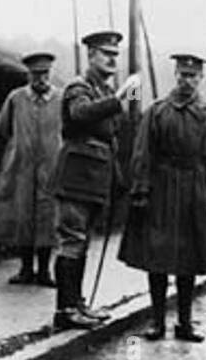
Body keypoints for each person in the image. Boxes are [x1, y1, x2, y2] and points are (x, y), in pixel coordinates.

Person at [118, 53, 206, 342]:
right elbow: (142, 153)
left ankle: (185, 323)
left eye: (192, 76)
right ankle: (157, 322)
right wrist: (140, 190)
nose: (186, 81)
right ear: (175, 76)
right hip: (162, 188)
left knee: (189, 258)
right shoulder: (157, 112)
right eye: (182, 75)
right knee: (158, 256)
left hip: (194, 190)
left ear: (200, 78)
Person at [49, 30, 142, 330]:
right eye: (106, 54)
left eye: (116, 55)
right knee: (72, 242)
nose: (113, 60)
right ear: (91, 55)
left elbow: (110, 139)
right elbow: (79, 115)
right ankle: (64, 311)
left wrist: (118, 180)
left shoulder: (101, 90)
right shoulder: (80, 87)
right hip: (76, 176)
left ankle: (76, 304)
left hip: (94, 178)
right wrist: (118, 98)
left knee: (82, 242)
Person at [0, 52, 63, 286]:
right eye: (36, 74)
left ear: (50, 74)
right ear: (28, 75)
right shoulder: (16, 99)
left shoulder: (61, 99)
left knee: (48, 217)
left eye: (45, 74)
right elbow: (2, 128)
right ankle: (25, 269)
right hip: (22, 165)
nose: (41, 79)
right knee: (23, 215)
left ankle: (44, 271)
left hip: (51, 166)